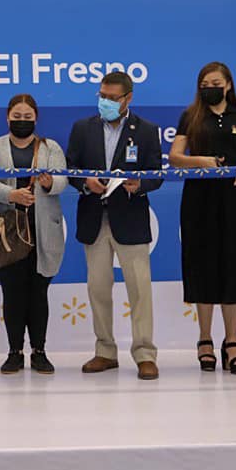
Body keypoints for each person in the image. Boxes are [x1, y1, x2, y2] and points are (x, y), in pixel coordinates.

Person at [66, 71, 163, 381]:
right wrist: (85, 182)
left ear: (128, 98)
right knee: (98, 288)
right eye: (101, 96)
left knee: (139, 289)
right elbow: (70, 169)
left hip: (130, 218)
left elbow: (156, 174)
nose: (105, 102)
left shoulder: (146, 131)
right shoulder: (83, 128)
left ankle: (145, 353)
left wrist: (139, 184)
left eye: (112, 98)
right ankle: (105, 351)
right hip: (94, 218)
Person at [170, 61, 236, 375]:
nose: (209, 87)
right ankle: (205, 339)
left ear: (228, 84)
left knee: (233, 264)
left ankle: (232, 341)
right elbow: (174, 157)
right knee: (203, 264)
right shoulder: (191, 116)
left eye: (215, 82)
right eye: (204, 83)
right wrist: (201, 162)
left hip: (235, 196)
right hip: (199, 198)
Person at [0, 94, 67, 375]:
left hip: (43, 230)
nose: (22, 121)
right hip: (7, 231)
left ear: (36, 118)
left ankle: (39, 351)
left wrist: (50, 182)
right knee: (13, 293)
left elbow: (63, 179)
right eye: (16, 117)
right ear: (7, 117)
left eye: (27, 117)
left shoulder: (51, 147)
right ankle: (14, 352)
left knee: (38, 293)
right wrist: (11, 194)